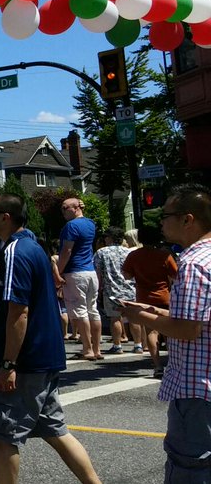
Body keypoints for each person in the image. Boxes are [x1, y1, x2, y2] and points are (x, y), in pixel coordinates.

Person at [0, 194, 101, 484]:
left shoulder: (14, 252)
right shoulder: (35, 247)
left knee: (4, 437)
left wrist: (8, 363)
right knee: (55, 431)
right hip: (47, 356)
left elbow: (18, 312)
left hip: (25, 360)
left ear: (5, 218)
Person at [123, 184, 211, 482]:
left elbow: (188, 329)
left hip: (197, 388)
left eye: (166, 214)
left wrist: (139, 314)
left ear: (188, 219)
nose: (161, 221)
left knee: (190, 469)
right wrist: (158, 312)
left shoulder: (193, 263)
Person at [123, 226, 179, 376]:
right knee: (169, 332)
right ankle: (173, 363)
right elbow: (176, 276)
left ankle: (157, 366)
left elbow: (127, 275)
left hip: (144, 297)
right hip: (164, 296)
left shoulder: (134, 255)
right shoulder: (164, 255)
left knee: (151, 331)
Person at [57, 198, 102, 361]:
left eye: (64, 208)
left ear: (75, 208)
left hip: (75, 272)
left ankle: (87, 349)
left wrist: (58, 272)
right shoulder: (90, 224)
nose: (62, 212)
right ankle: (97, 349)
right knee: (93, 310)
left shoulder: (71, 226)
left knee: (80, 310)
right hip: (90, 271)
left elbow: (66, 251)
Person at [94, 227, 136, 355]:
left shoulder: (102, 252)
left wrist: (99, 289)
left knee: (115, 318)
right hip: (130, 288)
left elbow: (98, 273)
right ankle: (139, 344)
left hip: (111, 289)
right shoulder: (128, 252)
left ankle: (117, 345)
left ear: (110, 238)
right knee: (134, 318)